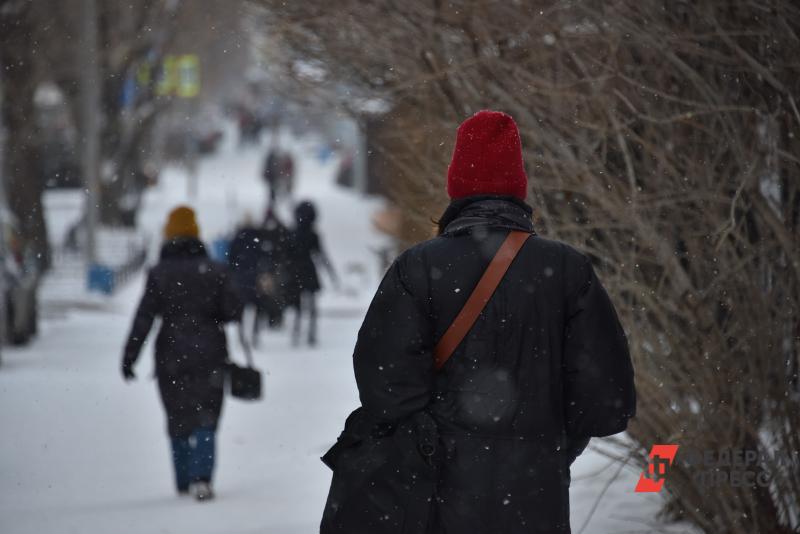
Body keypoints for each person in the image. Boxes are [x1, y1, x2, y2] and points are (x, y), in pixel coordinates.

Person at [320, 111, 636, 533]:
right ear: (519, 187)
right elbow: (606, 401)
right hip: (535, 499)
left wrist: (435, 441)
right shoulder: (566, 270)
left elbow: (386, 385)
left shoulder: (418, 268)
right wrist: (548, 446)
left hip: (439, 498)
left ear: (456, 186)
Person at [121, 206, 243, 501]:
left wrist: (130, 355)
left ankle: (182, 480)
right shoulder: (215, 271)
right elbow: (233, 311)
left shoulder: (159, 273)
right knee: (206, 416)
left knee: (177, 417)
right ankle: (203, 478)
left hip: (171, 355)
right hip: (210, 352)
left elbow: (144, 317)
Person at [286, 200, 337, 346]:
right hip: (308, 270)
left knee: (298, 306)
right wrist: (331, 274)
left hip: (295, 272)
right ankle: (311, 334)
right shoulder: (313, 234)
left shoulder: (292, 233)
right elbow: (321, 255)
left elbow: (285, 255)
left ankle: (296, 332)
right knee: (312, 306)